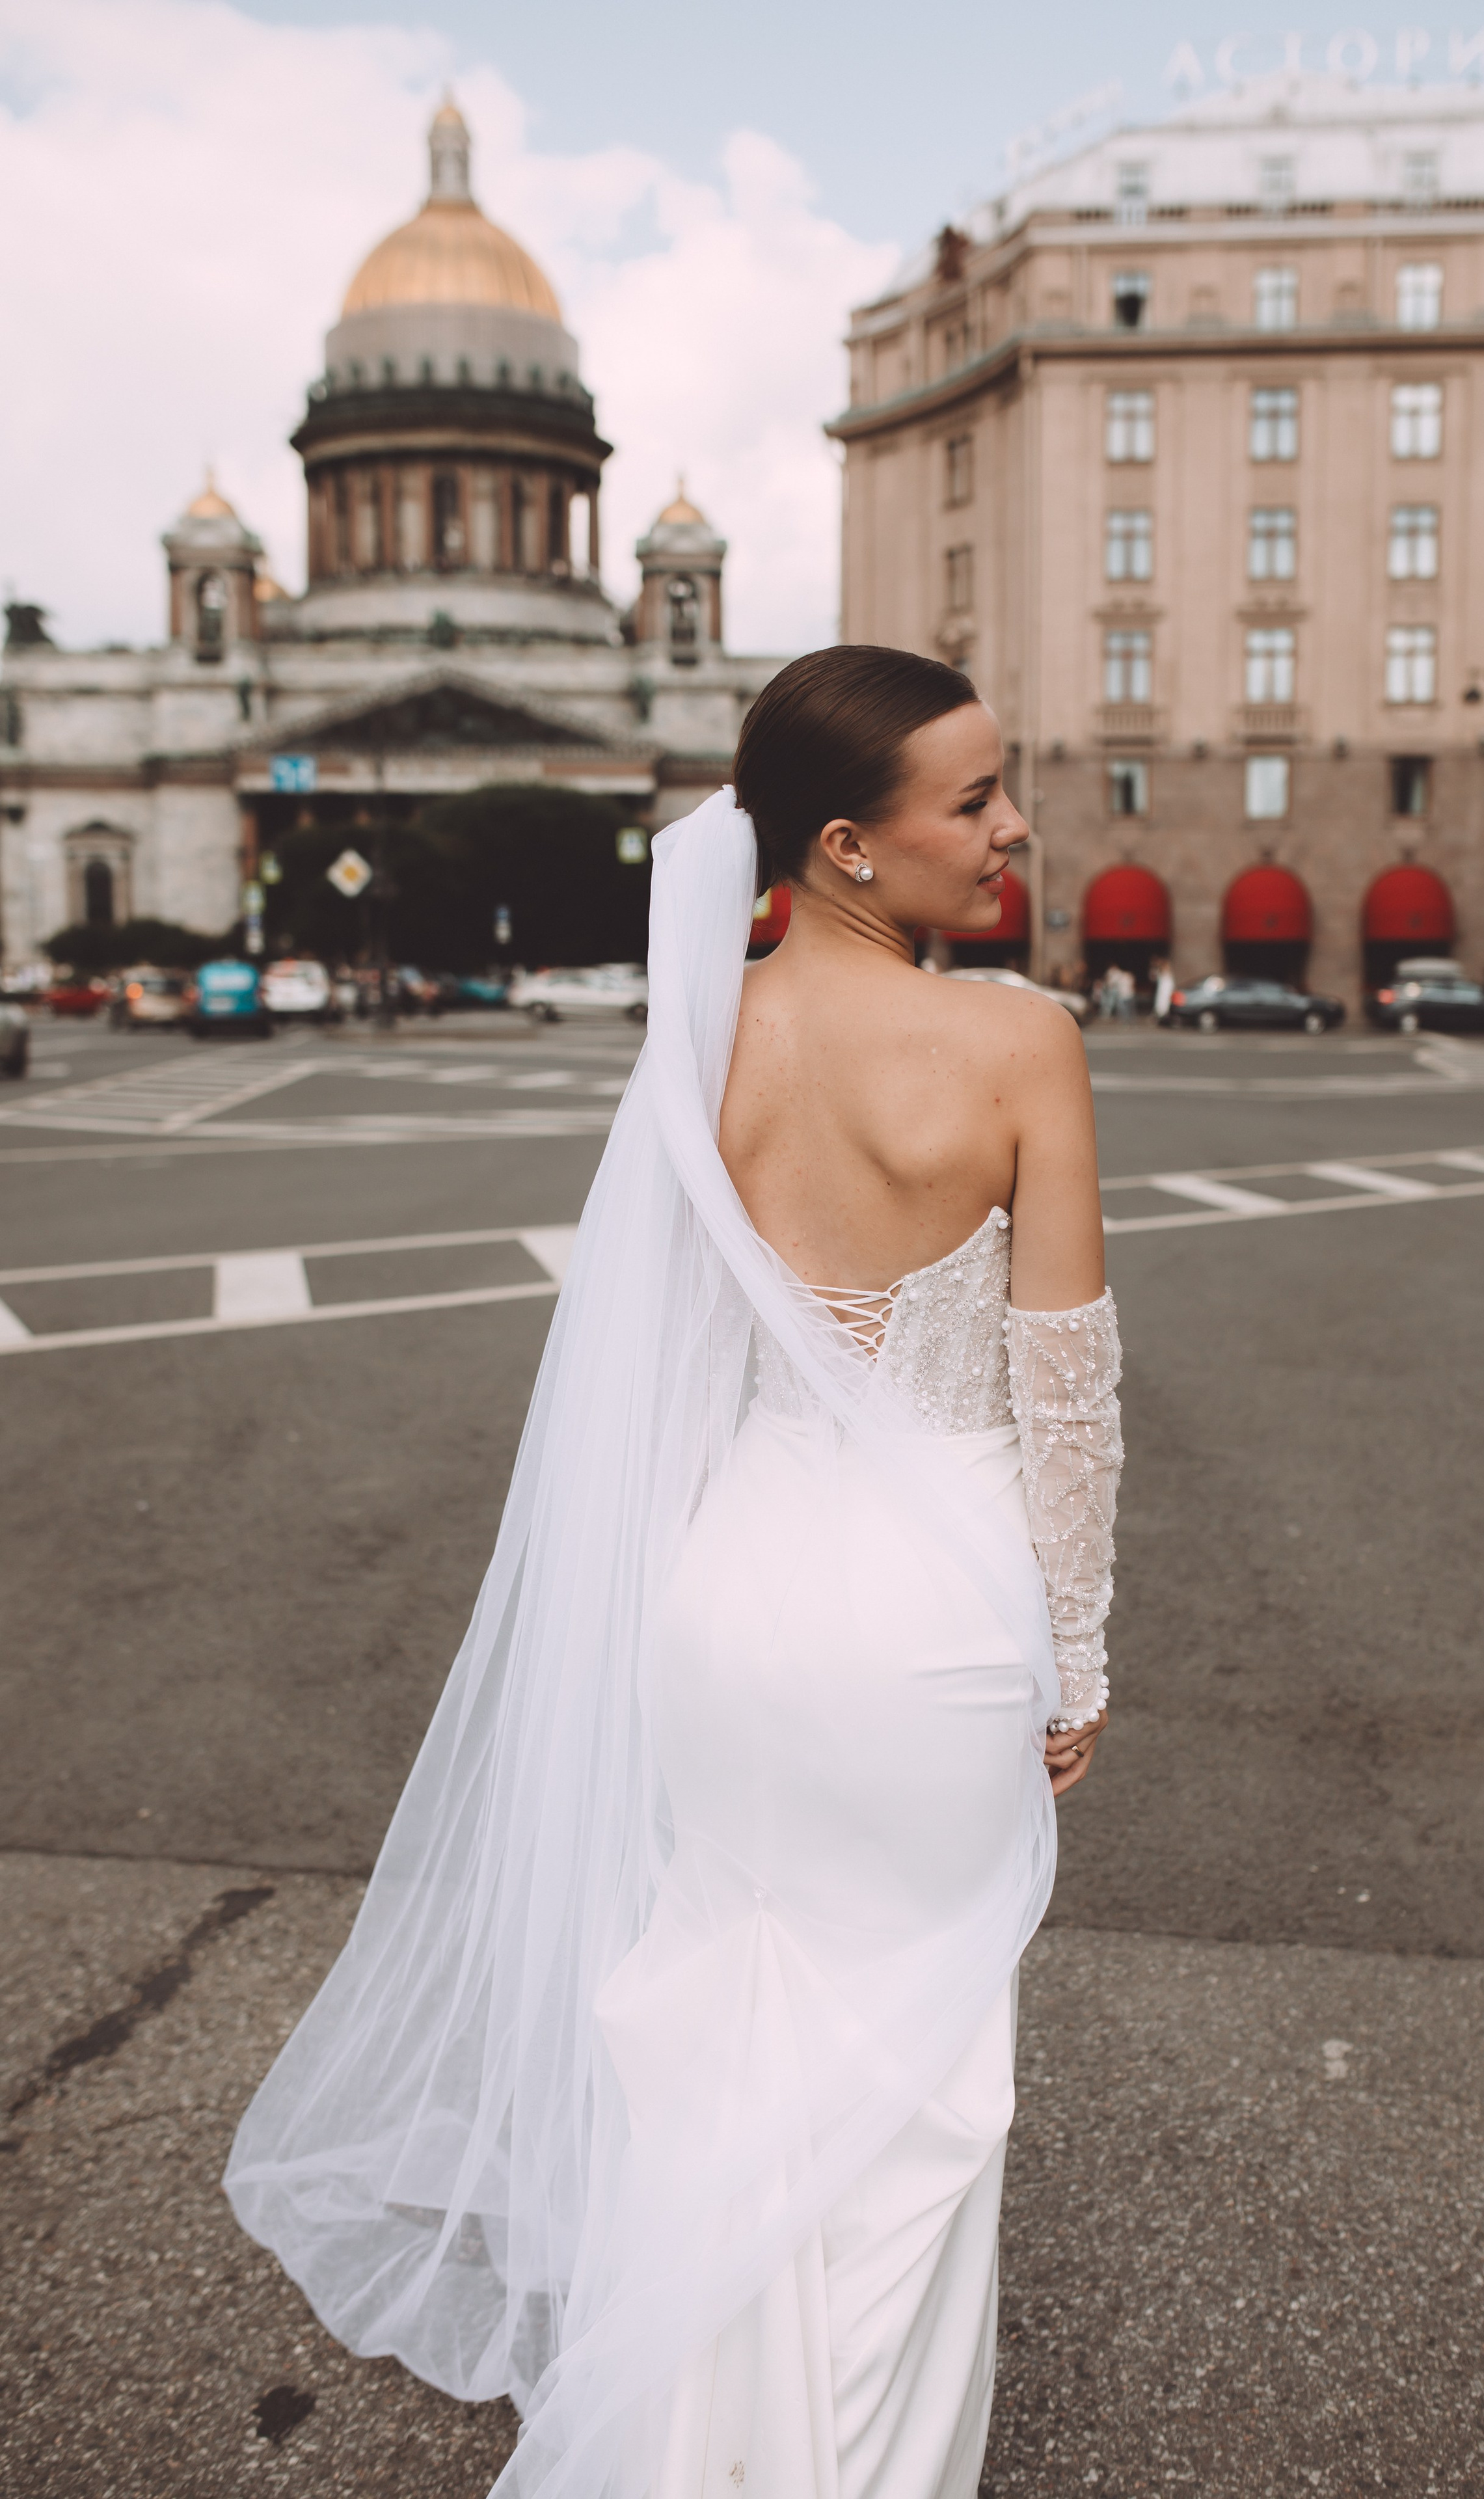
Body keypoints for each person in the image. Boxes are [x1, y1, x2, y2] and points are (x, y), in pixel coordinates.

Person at [224, 645, 1122, 2499]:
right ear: (852, 848)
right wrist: (1083, 1661)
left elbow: (670, 1361)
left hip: (729, 1600)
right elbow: (1067, 1401)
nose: (1015, 825)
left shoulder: (705, 1032)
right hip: (929, 1620)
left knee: (731, 2014)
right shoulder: (1020, 1042)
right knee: (917, 2077)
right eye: (975, 799)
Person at [1152, 955, 1175, 1025]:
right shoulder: (1161, 972)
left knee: (1164, 1004)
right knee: (1161, 1004)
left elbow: (1169, 984)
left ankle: (1164, 1018)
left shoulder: (1167, 974)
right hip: (1162, 992)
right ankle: (1162, 1018)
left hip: (1165, 992)